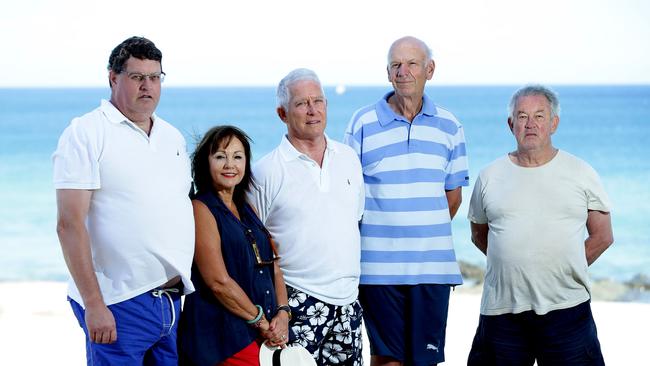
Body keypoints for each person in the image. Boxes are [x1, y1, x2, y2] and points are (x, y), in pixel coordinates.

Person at [53, 36, 195, 365]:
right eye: (137, 77)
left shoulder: (171, 137)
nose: (148, 86)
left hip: (171, 303)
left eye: (155, 77)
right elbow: (69, 224)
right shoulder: (86, 132)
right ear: (113, 78)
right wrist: (94, 304)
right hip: (118, 303)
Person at [343, 36, 469, 366]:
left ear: (430, 69)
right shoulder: (362, 123)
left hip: (433, 270)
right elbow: (347, 192)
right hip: (376, 270)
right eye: (396, 65)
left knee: (425, 361)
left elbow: (452, 197)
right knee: (387, 361)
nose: (404, 71)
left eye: (412, 63)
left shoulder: (451, 125)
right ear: (387, 73)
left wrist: (420, 231)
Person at [466, 85, 613, 365]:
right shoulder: (489, 176)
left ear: (554, 123)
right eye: (522, 116)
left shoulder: (580, 172)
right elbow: (479, 234)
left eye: (539, 116)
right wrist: (517, 267)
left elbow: (603, 236)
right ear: (511, 124)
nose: (530, 124)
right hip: (502, 312)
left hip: (567, 310)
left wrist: (560, 267)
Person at [248, 68, 365, 365]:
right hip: (295, 305)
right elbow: (252, 246)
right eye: (301, 103)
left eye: (319, 101)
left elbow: (355, 220)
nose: (312, 110)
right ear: (282, 113)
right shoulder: (266, 172)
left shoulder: (349, 159)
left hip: (348, 303)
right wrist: (277, 309)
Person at [177, 126, 290, 365]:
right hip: (224, 337)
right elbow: (218, 282)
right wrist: (260, 321)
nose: (230, 164)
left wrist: (283, 313)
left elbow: (274, 267)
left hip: (261, 332)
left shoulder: (249, 209)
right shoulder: (201, 208)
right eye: (220, 156)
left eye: (238, 157)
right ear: (205, 163)